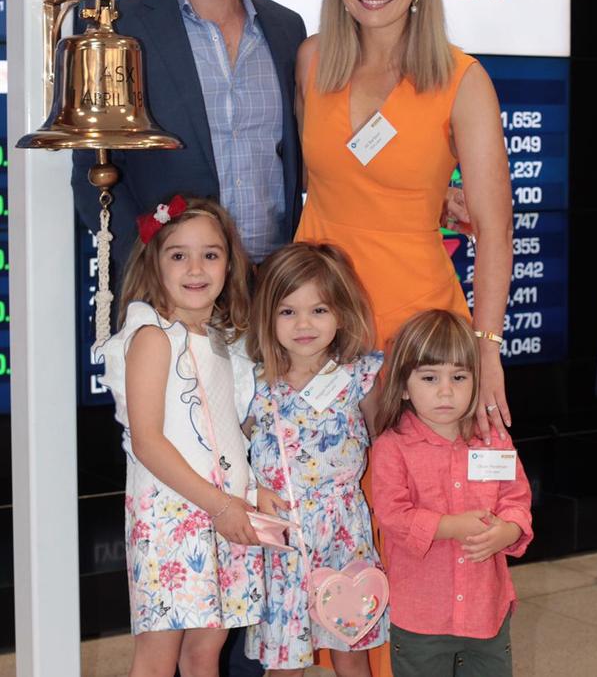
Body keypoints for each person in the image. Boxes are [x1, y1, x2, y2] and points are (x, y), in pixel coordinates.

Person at [294, 0, 512, 443]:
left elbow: (495, 230)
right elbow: (320, 177)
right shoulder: (312, 60)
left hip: (417, 332)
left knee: (414, 510)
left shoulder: (463, 80)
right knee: (325, 506)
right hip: (314, 323)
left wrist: (486, 349)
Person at [72, 0, 306, 274]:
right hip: (171, 299)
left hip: (275, 293)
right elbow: (93, 171)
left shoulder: (288, 30)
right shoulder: (118, 28)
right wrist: (152, 272)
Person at [95, 195, 286, 677]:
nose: (195, 268)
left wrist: (247, 492)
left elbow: (227, 433)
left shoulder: (225, 340)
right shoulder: (151, 336)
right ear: (154, 262)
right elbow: (148, 442)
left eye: (211, 254)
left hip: (226, 512)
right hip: (171, 519)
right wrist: (220, 506)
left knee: (205, 652)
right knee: (158, 656)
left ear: (229, 263)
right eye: (178, 254)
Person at [243, 242, 390, 676]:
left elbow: (386, 439)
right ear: (267, 317)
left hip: (345, 539)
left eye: (319, 311)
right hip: (284, 543)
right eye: (288, 312)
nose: (303, 324)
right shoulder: (256, 384)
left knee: (351, 650)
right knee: (284, 664)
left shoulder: (359, 377)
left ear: (342, 313)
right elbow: (233, 454)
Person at [372, 310, 532, 677]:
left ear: (477, 381)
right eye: (430, 377)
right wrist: (451, 525)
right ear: (402, 385)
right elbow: (393, 515)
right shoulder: (393, 447)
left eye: (459, 377)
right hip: (420, 617)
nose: (446, 391)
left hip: (486, 611)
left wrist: (508, 530)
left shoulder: (494, 439)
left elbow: (516, 499)